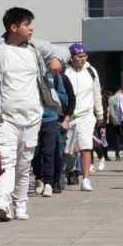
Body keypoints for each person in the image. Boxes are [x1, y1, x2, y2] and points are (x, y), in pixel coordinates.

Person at [0, 7, 65, 219]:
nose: (31, 28)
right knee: (7, 159)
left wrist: (55, 58)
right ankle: (2, 202)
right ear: (13, 27)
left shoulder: (35, 47)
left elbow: (63, 50)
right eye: (27, 24)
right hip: (4, 117)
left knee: (24, 162)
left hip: (33, 116)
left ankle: (20, 204)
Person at [61, 43, 103, 191]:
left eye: (84, 56)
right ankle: (65, 172)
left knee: (86, 147)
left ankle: (85, 179)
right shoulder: (65, 71)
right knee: (67, 150)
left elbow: (96, 93)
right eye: (79, 56)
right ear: (71, 58)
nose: (82, 59)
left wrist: (100, 114)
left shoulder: (91, 71)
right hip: (69, 116)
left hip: (86, 115)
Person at [33, 61, 75, 195]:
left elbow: (69, 99)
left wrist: (67, 119)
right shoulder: (32, 76)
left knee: (55, 152)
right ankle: (39, 177)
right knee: (36, 153)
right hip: (35, 119)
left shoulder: (59, 77)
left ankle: (52, 182)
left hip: (57, 120)